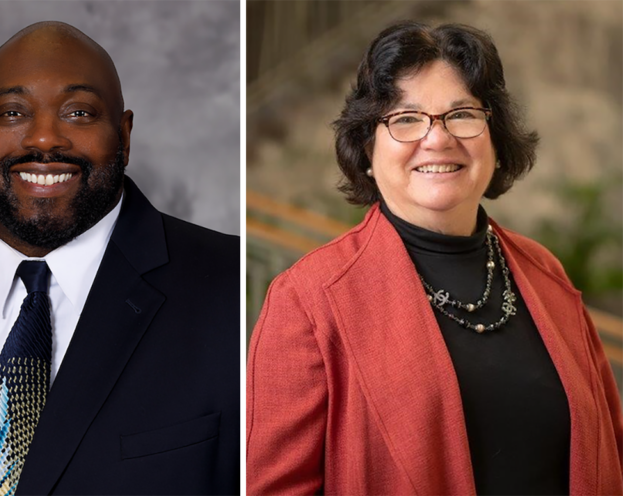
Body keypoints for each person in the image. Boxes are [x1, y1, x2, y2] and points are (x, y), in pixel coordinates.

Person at [0, 21, 238, 495]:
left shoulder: (232, 294)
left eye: (78, 112)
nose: (42, 139)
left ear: (124, 132)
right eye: (12, 112)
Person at [246, 21, 622, 495]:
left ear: (495, 135)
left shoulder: (545, 273)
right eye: (406, 119)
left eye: (461, 114)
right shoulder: (308, 300)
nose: (437, 139)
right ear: (366, 147)